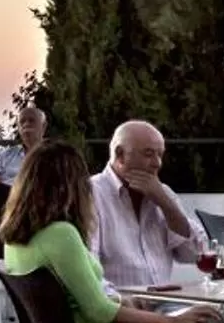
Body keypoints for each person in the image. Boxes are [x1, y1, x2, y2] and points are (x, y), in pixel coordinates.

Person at [1, 140, 224, 323]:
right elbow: (99, 311)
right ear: (69, 185)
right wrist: (172, 322)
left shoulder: (14, 239)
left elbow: (77, 297)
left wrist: (121, 300)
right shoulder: (61, 234)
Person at [89, 120, 213, 291]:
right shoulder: (91, 194)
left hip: (165, 300)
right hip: (120, 303)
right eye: (148, 154)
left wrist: (167, 205)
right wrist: (119, 301)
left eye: (160, 155)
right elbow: (89, 271)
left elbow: (195, 254)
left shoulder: (163, 193)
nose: (157, 163)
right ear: (120, 155)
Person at [0, 100, 48, 201]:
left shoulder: (57, 156)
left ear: (44, 126)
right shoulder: (4, 156)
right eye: (22, 121)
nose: (26, 124)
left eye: (32, 120)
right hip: (6, 205)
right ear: (18, 128)